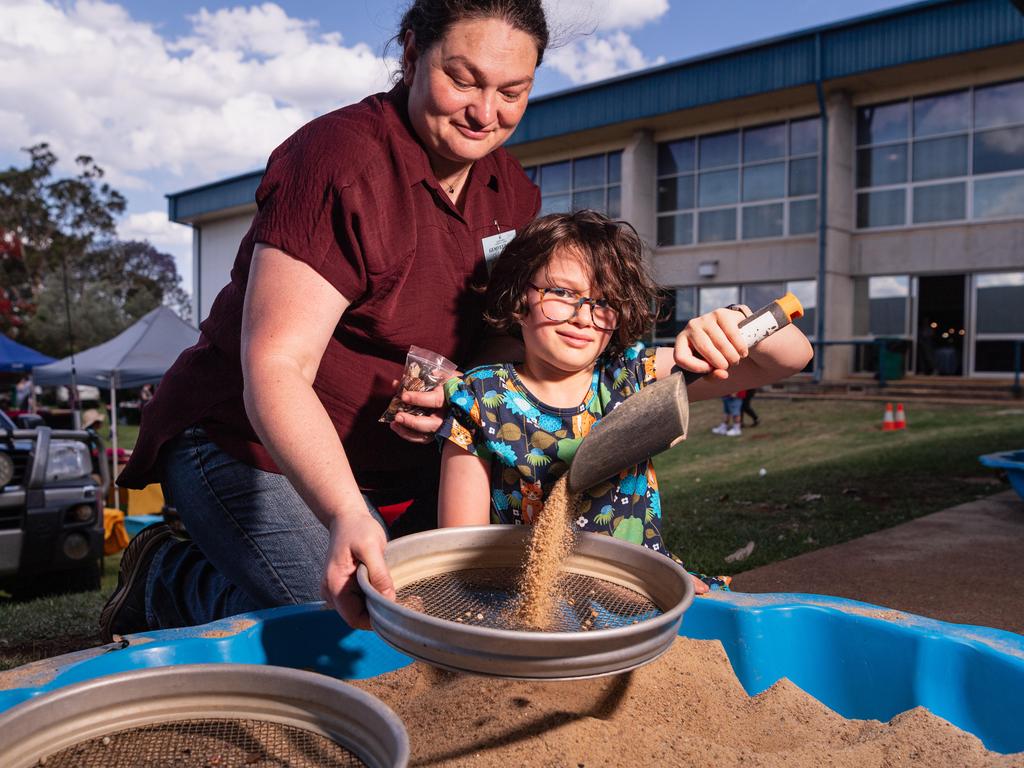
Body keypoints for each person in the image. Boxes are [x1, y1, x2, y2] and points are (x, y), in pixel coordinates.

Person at [101, 0, 550, 641]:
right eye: (463, 79)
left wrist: (466, 392)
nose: (486, 113)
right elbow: (276, 366)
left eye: (513, 91)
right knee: (359, 621)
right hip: (247, 443)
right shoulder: (338, 162)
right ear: (411, 54)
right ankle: (168, 577)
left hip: (396, 462)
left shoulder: (511, 191)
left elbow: (500, 336)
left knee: (454, 612)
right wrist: (344, 510)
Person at [436, 211, 813, 595]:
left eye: (604, 301)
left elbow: (792, 359)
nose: (584, 317)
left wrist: (737, 322)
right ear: (520, 299)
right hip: (528, 598)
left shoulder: (631, 376)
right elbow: (462, 553)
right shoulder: (481, 398)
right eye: (562, 294)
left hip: (641, 592)